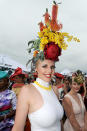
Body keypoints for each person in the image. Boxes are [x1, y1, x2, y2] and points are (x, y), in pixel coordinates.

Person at [12, 1, 79, 131]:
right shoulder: (27, 91)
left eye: (52, 67)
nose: (50, 71)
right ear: (36, 68)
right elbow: (18, 127)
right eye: (44, 66)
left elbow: (58, 123)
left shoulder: (54, 90)